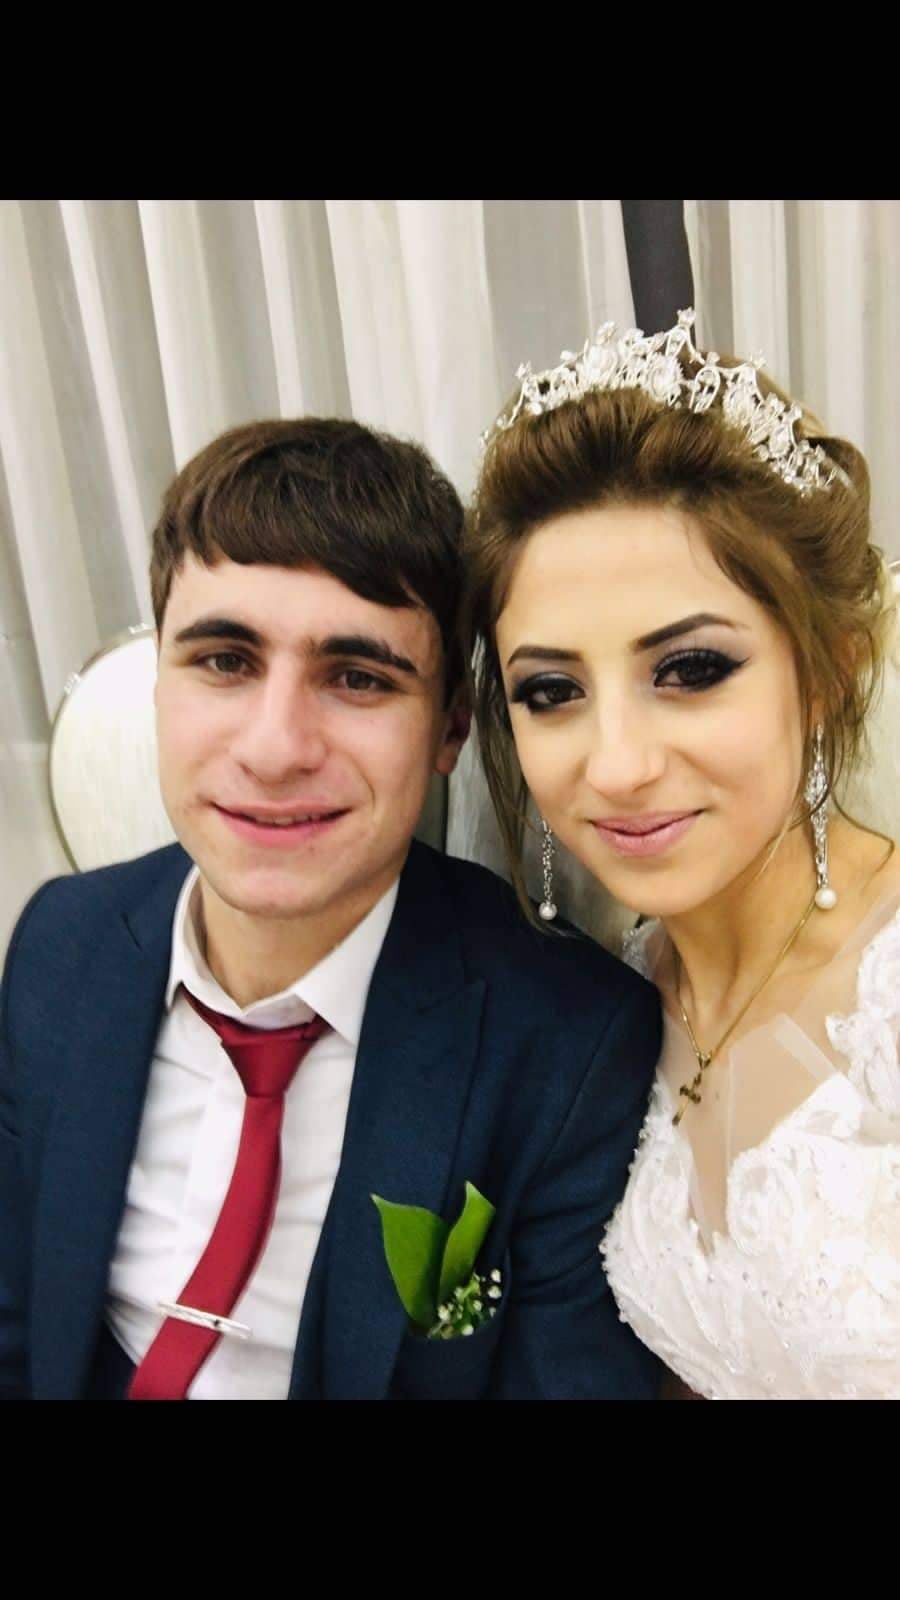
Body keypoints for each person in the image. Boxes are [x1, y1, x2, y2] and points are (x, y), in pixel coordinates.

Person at [0, 416, 662, 1401]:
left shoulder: (567, 1045)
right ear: (160, 688)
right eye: (224, 661)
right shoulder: (59, 940)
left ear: (449, 727)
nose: (275, 749)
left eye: (357, 677)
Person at [465, 310, 900, 1400]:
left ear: (830, 671)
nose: (616, 766)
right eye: (551, 691)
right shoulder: (604, 1007)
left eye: (692, 669)